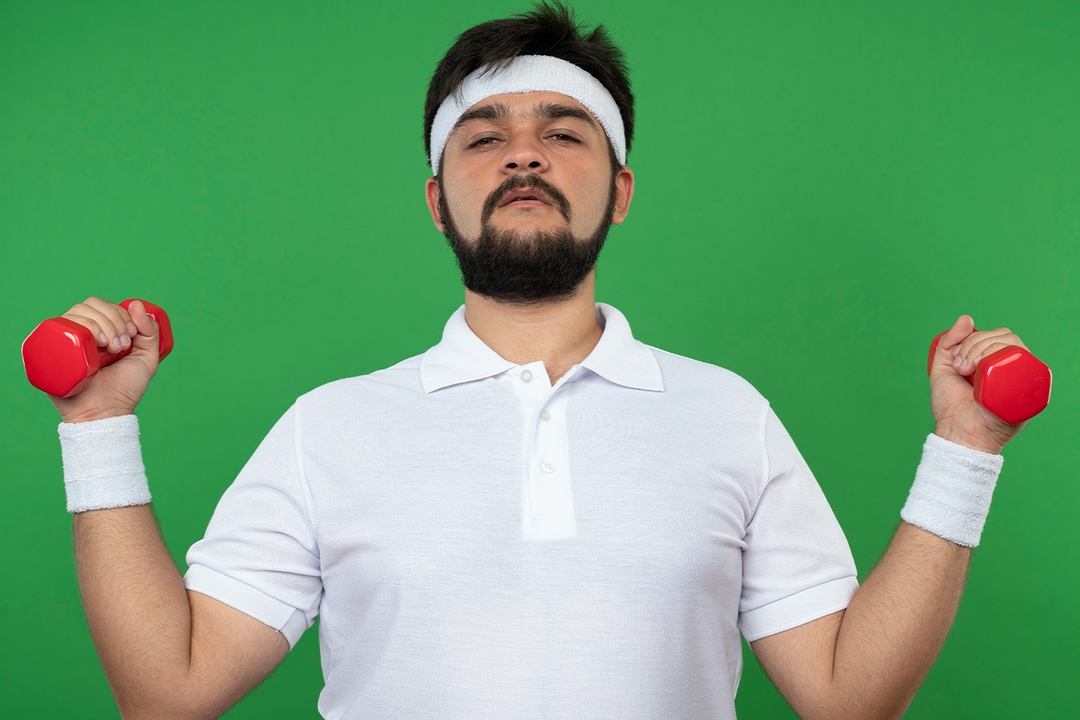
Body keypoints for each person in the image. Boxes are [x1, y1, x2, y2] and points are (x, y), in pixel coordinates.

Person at [47, 3, 1034, 718]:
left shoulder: (728, 415)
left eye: (563, 133)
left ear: (621, 192)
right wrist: (96, 427)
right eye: (485, 139)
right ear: (438, 202)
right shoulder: (330, 427)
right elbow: (166, 692)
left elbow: (848, 698)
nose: (524, 155)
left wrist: (967, 448)